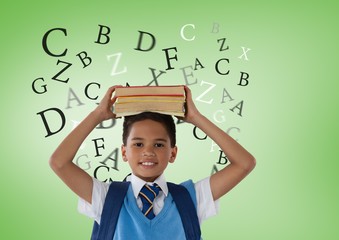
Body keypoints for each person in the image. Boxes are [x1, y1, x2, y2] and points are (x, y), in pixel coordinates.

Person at [49, 85, 256, 239]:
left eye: (158, 145)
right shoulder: (106, 198)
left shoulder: (191, 199)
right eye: (138, 144)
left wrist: (196, 117)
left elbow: (244, 163)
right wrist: (97, 115)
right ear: (124, 152)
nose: (148, 152)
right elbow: (59, 162)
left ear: (173, 153)